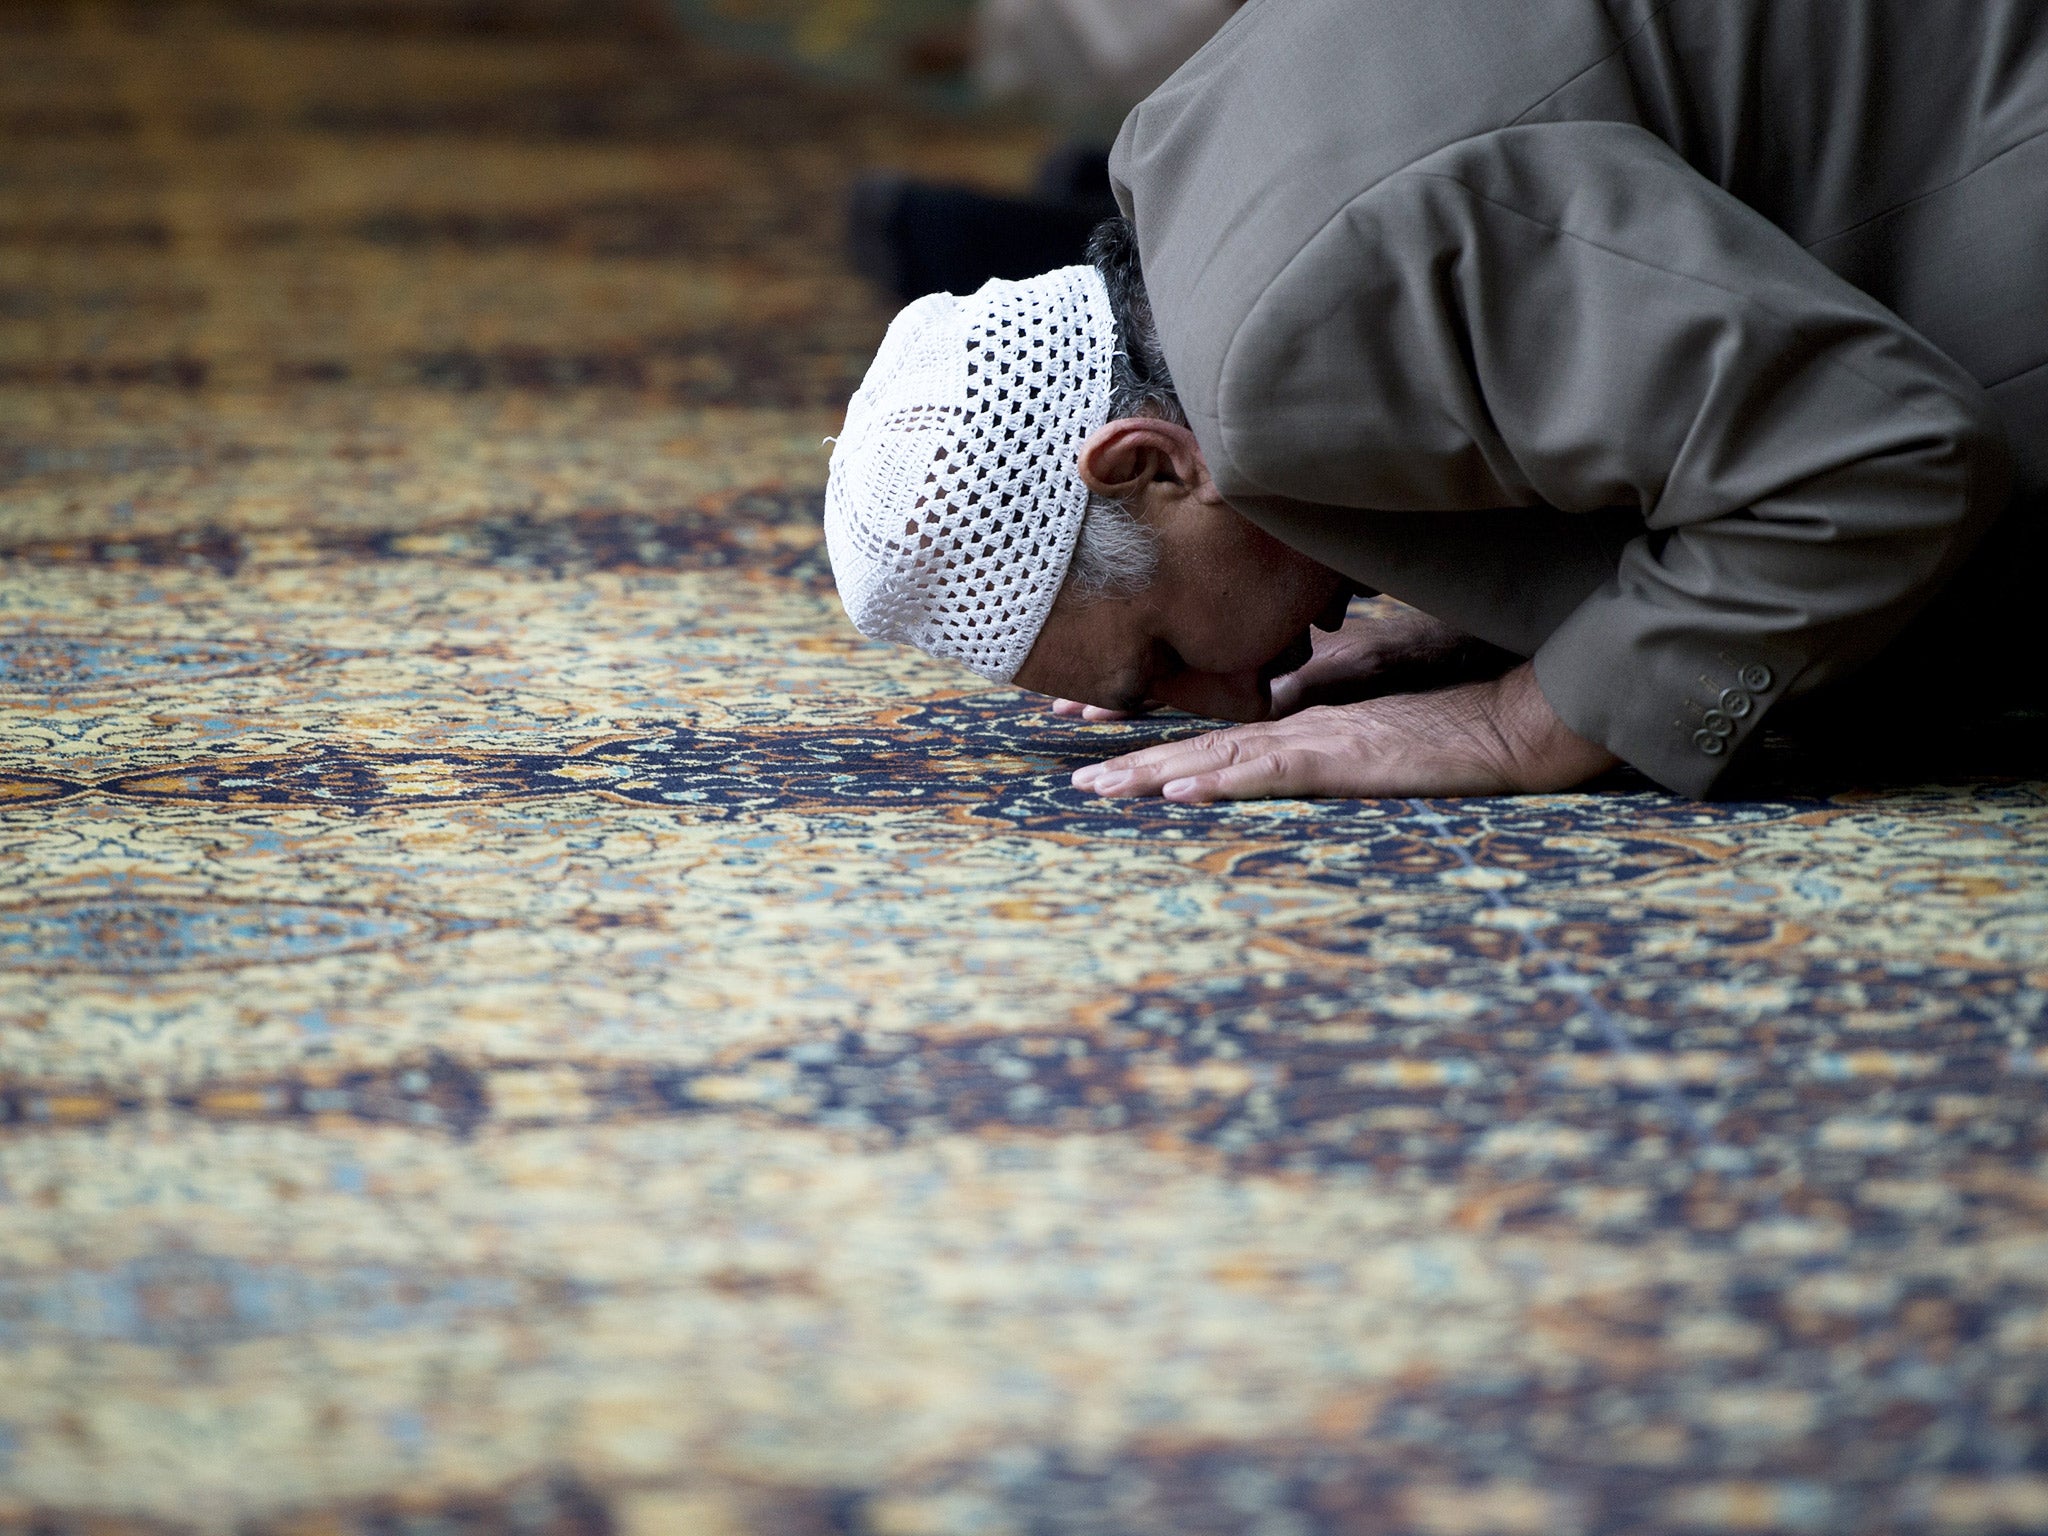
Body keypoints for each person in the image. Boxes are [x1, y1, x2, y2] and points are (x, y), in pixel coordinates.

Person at [825, 0, 2047, 802]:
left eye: (1165, 659)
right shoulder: (1177, 154)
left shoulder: (1286, 340)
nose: (1237, 702)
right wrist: (1501, 617)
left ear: (1148, 464)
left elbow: (1878, 459)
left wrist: (1527, 719)